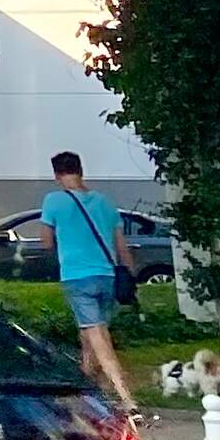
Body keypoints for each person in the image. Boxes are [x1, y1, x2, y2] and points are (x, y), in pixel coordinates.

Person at [44, 150, 140, 413]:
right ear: (80, 170)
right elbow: (122, 246)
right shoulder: (105, 203)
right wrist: (130, 276)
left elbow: (46, 242)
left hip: (77, 277)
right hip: (107, 276)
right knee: (89, 337)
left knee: (99, 339)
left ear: (57, 175)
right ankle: (87, 392)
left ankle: (126, 397)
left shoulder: (54, 201)